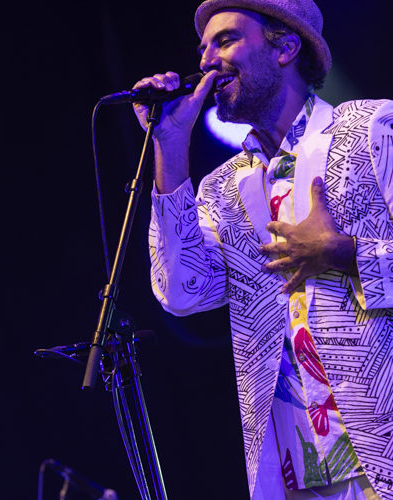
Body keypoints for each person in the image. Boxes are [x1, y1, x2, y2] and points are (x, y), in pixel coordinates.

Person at [132, 0, 393, 498]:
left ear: (285, 47)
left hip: (381, 450)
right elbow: (183, 291)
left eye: (226, 40)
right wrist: (170, 143)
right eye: (203, 48)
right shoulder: (222, 188)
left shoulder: (370, 130)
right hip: (294, 470)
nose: (206, 60)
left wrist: (344, 253)